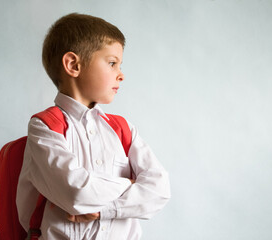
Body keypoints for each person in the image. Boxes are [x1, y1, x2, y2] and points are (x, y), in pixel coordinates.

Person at [16, 13, 171, 240]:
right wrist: (131, 184)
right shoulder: (44, 127)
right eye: (112, 63)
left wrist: (102, 210)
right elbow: (76, 193)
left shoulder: (123, 129)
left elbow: (159, 190)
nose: (121, 74)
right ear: (73, 65)